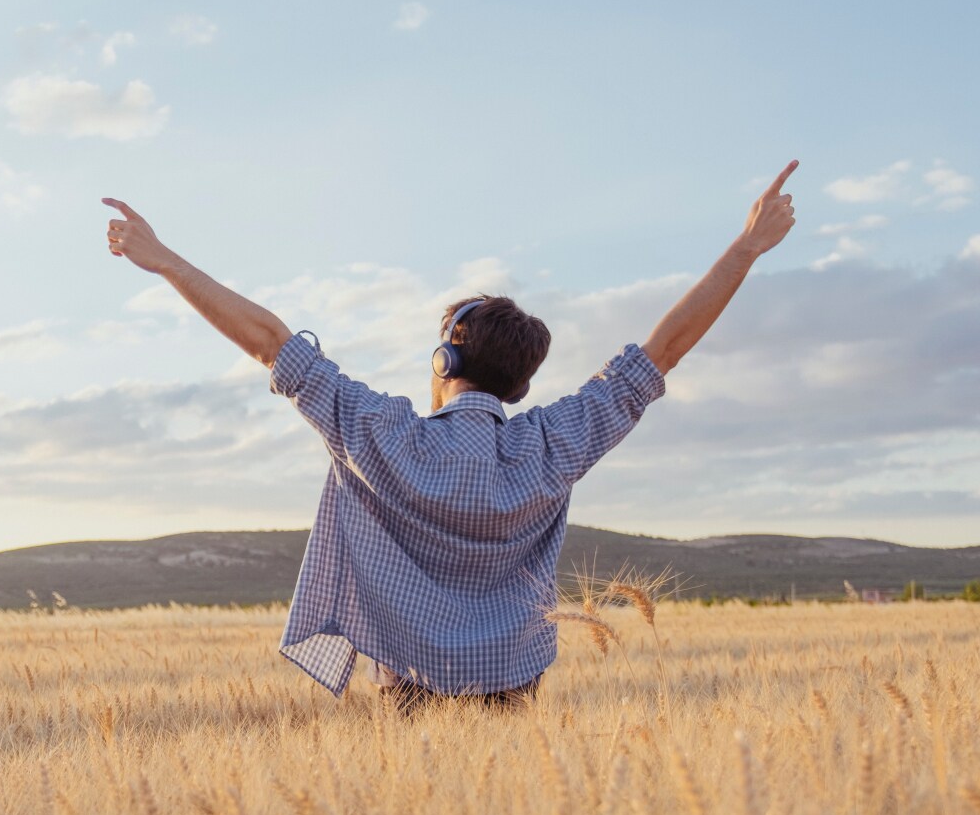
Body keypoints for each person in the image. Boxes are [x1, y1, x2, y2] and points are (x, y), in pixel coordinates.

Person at [100, 162, 798, 712]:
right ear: (520, 385)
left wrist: (165, 261)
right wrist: (745, 246)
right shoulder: (556, 442)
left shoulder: (378, 430)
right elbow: (663, 350)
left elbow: (269, 342)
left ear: (445, 361)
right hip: (515, 682)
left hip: (407, 687)